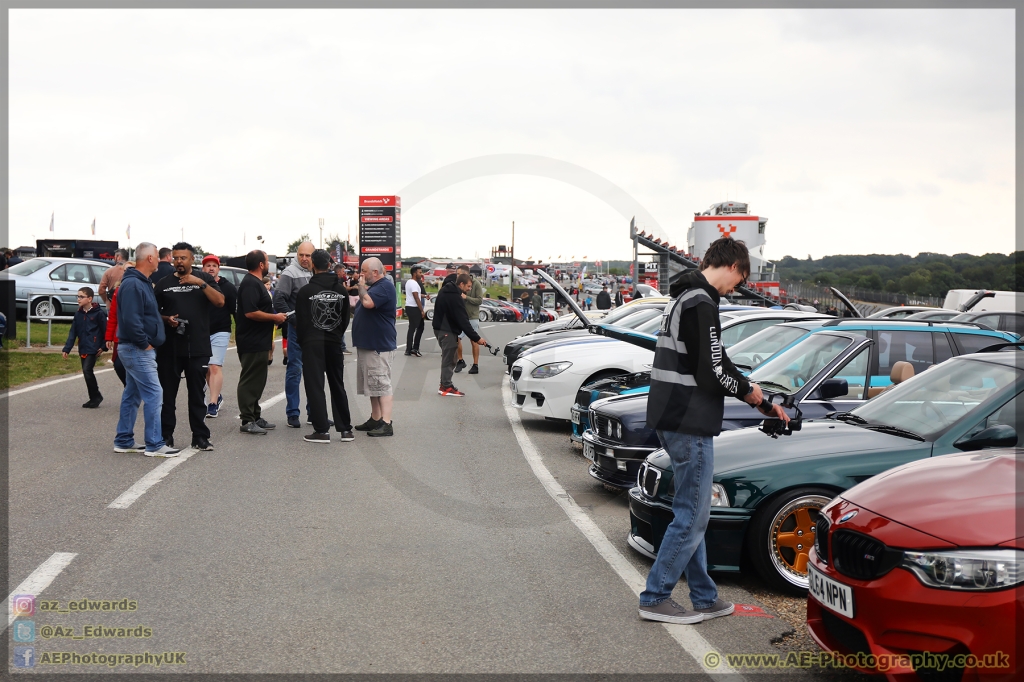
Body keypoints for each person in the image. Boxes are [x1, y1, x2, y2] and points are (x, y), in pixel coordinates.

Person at [639, 237, 788, 625]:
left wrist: (760, 398)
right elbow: (713, 371)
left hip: (672, 415)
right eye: (738, 280)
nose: (735, 288)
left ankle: (705, 597)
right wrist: (753, 395)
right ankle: (656, 597)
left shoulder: (684, 297)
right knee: (691, 514)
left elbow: (715, 360)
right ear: (734, 266)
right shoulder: (702, 301)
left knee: (695, 510)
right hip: (689, 419)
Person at [153, 242, 225, 451]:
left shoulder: (204, 279)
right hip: (171, 348)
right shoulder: (164, 282)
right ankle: (166, 436)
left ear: (192, 259)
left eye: (183, 258)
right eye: (175, 258)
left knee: (196, 395)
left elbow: (220, 301)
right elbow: (152, 312)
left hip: (198, 346)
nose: (178, 262)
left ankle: (200, 437)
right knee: (168, 396)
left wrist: (200, 283)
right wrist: (167, 320)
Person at [114, 243, 178, 457]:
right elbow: (131, 320)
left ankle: (123, 440)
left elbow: (142, 315)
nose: (160, 260)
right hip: (136, 348)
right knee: (154, 392)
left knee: (132, 394)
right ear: (150, 258)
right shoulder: (134, 284)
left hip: (135, 348)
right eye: (158, 256)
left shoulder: (140, 282)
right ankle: (154, 443)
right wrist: (145, 343)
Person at [295, 249, 354, 444]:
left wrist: (304, 341)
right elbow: (346, 318)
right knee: (338, 384)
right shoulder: (340, 290)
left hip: (312, 342)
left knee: (315, 385)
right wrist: (336, 334)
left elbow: (301, 321)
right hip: (334, 341)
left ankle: (321, 430)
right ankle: (346, 430)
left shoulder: (306, 291)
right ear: (329, 265)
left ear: (313, 265)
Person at [236, 250, 287, 435]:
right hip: (251, 340)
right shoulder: (250, 284)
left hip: (260, 340)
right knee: (250, 380)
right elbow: (250, 312)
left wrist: (275, 318)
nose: (268, 265)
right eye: (266, 261)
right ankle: (247, 419)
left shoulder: (255, 283)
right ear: (260, 265)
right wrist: (273, 316)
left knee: (258, 380)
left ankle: (255, 416)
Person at [351, 257, 397, 437]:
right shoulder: (377, 288)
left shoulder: (385, 286)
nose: (360, 274)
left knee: (381, 383)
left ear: (375, 273)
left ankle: (386, 422)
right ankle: (376, 418)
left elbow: (368, 303)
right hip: (369, 344)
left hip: (378, 345)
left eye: (364, 271)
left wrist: (361, 286)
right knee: (373, 385)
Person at [274, 242, 315, 428]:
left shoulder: (315, 272)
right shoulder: (290, 273)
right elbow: (278, 299)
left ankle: (313, 412)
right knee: (295, 370)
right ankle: (292, 413)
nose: (304, 258)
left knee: (313, 372)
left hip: (314, 330)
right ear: (296, 255)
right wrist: (294, 319)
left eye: (308, 255)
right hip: (297, 329)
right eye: (301, 255)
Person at [433, 272, 488, 397]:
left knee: (452, 358)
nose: (469, 289)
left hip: (443, 329)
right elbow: (463, 321)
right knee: (449, 358)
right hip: (446, 330)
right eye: (468, 286)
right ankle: (445, 387)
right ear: (461, 284)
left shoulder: (445, 291)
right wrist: (477, 338)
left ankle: (445, 384)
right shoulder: (455, 297)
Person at [201, 255, 236, 418]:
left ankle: (213, 403)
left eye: (214, 265)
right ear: (203, 269)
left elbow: (235, 310)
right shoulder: (199, 285)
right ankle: (218, 395)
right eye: (207, 265)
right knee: (206, 368)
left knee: (215, 366)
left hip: (221, 330)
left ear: (218, 269)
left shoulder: (227, 287)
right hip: (201, 331)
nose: (211, 268)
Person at [62, 286, 107, 408]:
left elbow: (105, 331)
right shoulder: (78, 314)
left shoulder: (99, 313)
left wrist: (103, 346)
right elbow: (73, 332)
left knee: (87, 370)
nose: (78, 299)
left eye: (81, 296)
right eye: (78, 296)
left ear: (90, 298)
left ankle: (95, 396)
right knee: (86, 371)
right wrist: (67, 348)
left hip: (94, 347)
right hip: (83, 347)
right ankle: (95, 396)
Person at [104, 262, 133, 386]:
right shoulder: (118, 291)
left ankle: (134, 391)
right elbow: (113, 315)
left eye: (131, 269)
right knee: (118, 365)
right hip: (119, 336)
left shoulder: (142, 287)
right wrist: (109, 337)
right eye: (125, 270)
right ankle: (129, 388)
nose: (128, 272)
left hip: (136, 335)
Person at [454, 265, 485, 374]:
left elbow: (480, 300)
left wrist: (466, 297)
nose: (457, 276)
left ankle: (475, 365)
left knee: (474, 340)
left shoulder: (476, 284)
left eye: (459, 274)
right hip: (461, 316)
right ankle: (460, 360)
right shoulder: (458, 284)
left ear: (465, 274)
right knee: (456, 337)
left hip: (472, 316)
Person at [404, 266, 427, 358]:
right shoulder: (414, 283)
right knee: (420, 327)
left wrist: (425, 296)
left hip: (409, 306)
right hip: (414, 307)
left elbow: (417, 294)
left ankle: (408, 349)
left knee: (412, 328)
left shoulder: (409, 282)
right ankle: (415, 348)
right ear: (414, 273)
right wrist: (421, 310)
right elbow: (416, 297)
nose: (421, 274)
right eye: (420, 272)